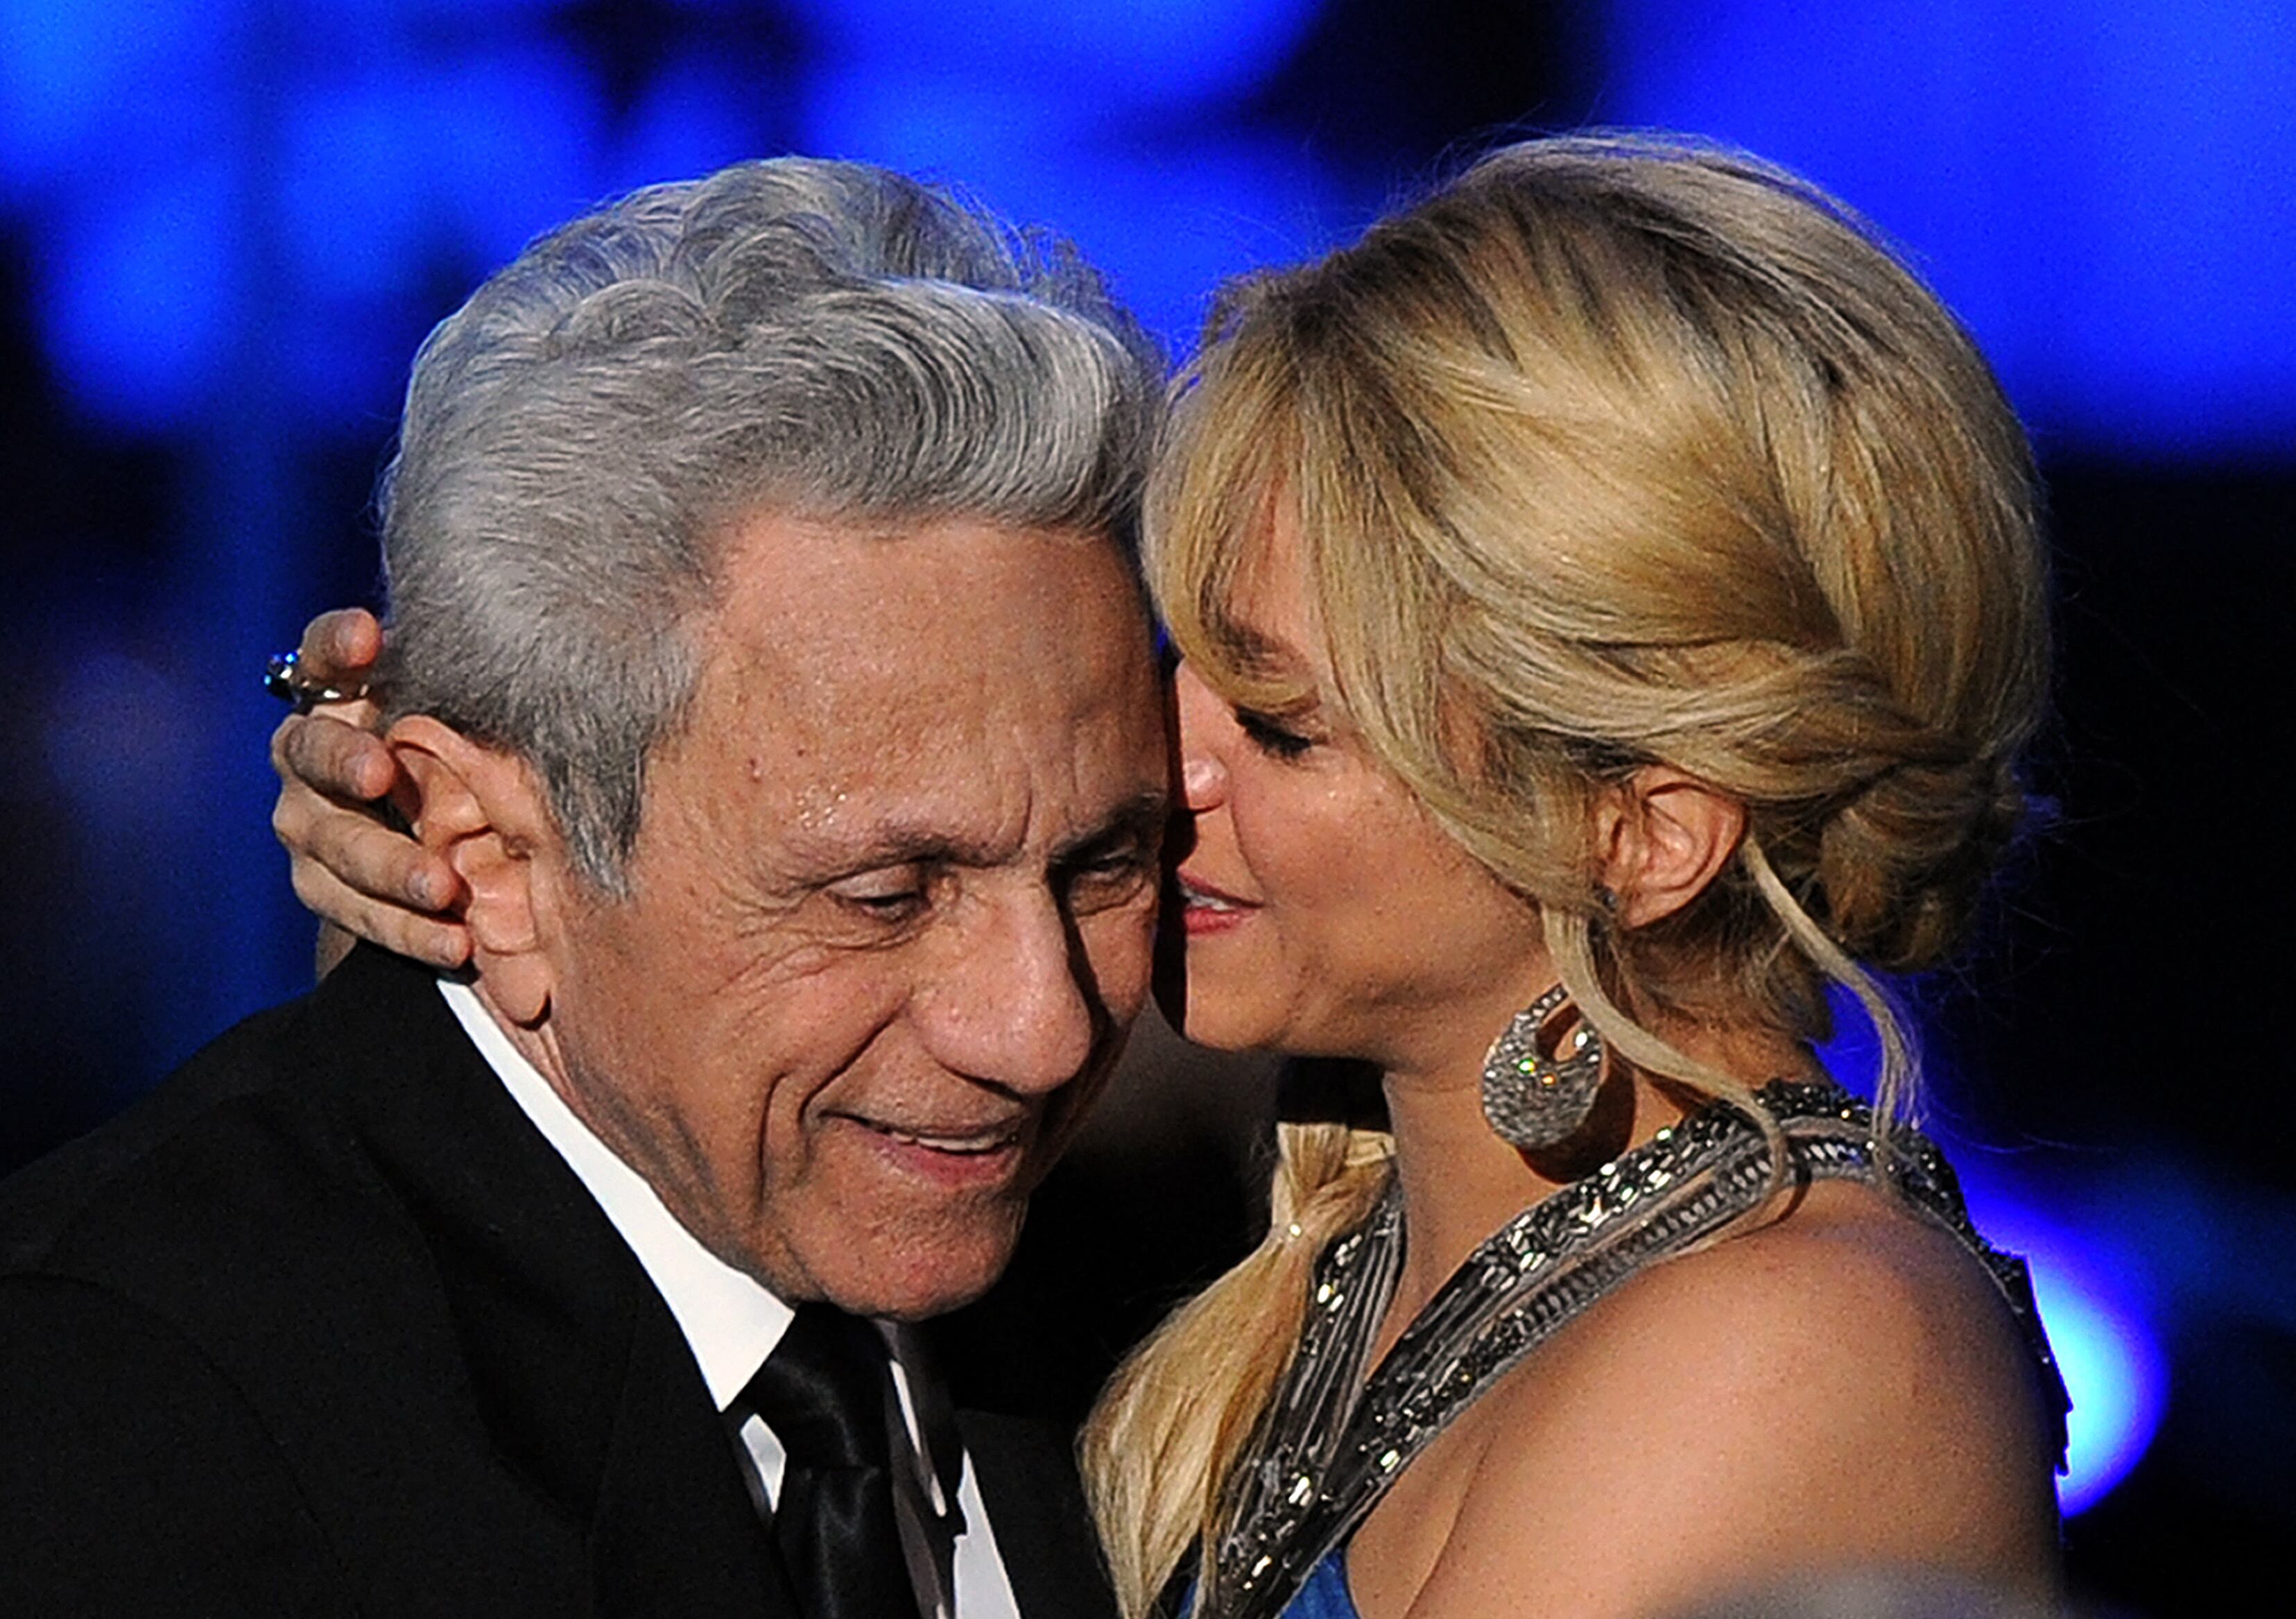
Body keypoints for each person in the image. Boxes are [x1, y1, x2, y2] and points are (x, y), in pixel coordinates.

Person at [269, 135, 2071, 1619]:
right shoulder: (1308, 1228)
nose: (1161, 762)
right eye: (1178, 655)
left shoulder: (1797, 1344)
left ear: (1644, 831)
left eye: (1279, 722)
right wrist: (501, 886)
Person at [0, 157, 1167, 1618]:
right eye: (886, 893)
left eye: (1106, 863)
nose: (1041, 1030)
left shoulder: (1180, 1305)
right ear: (493, 861)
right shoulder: (119, 1426)